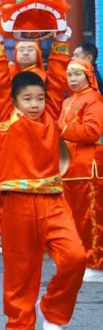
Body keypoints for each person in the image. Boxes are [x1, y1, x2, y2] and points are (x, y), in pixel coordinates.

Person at [0, 26, 86, 330]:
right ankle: (18, 325)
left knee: (75, 256)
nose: (35, 104)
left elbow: (57, 81)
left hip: (53, 200)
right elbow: (1, 82)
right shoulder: (6, 117)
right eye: (27, 98)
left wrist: (60, 41)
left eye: (39, 98)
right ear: (14, 100)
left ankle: (54, 310)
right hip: (18, 201)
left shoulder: (51, 115)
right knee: (22, 267)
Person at [58, 58, 103, 283]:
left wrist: (61, 128)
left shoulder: (94, 99)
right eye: (69, 75)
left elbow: (92, 132)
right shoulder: (67, 102)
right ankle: (81, 261)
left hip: (89, 168)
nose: (72, 79)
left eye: (77, 74)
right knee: (75, 219)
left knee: (92, 218)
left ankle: (96, 264)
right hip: (70, 168)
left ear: (88, 77)